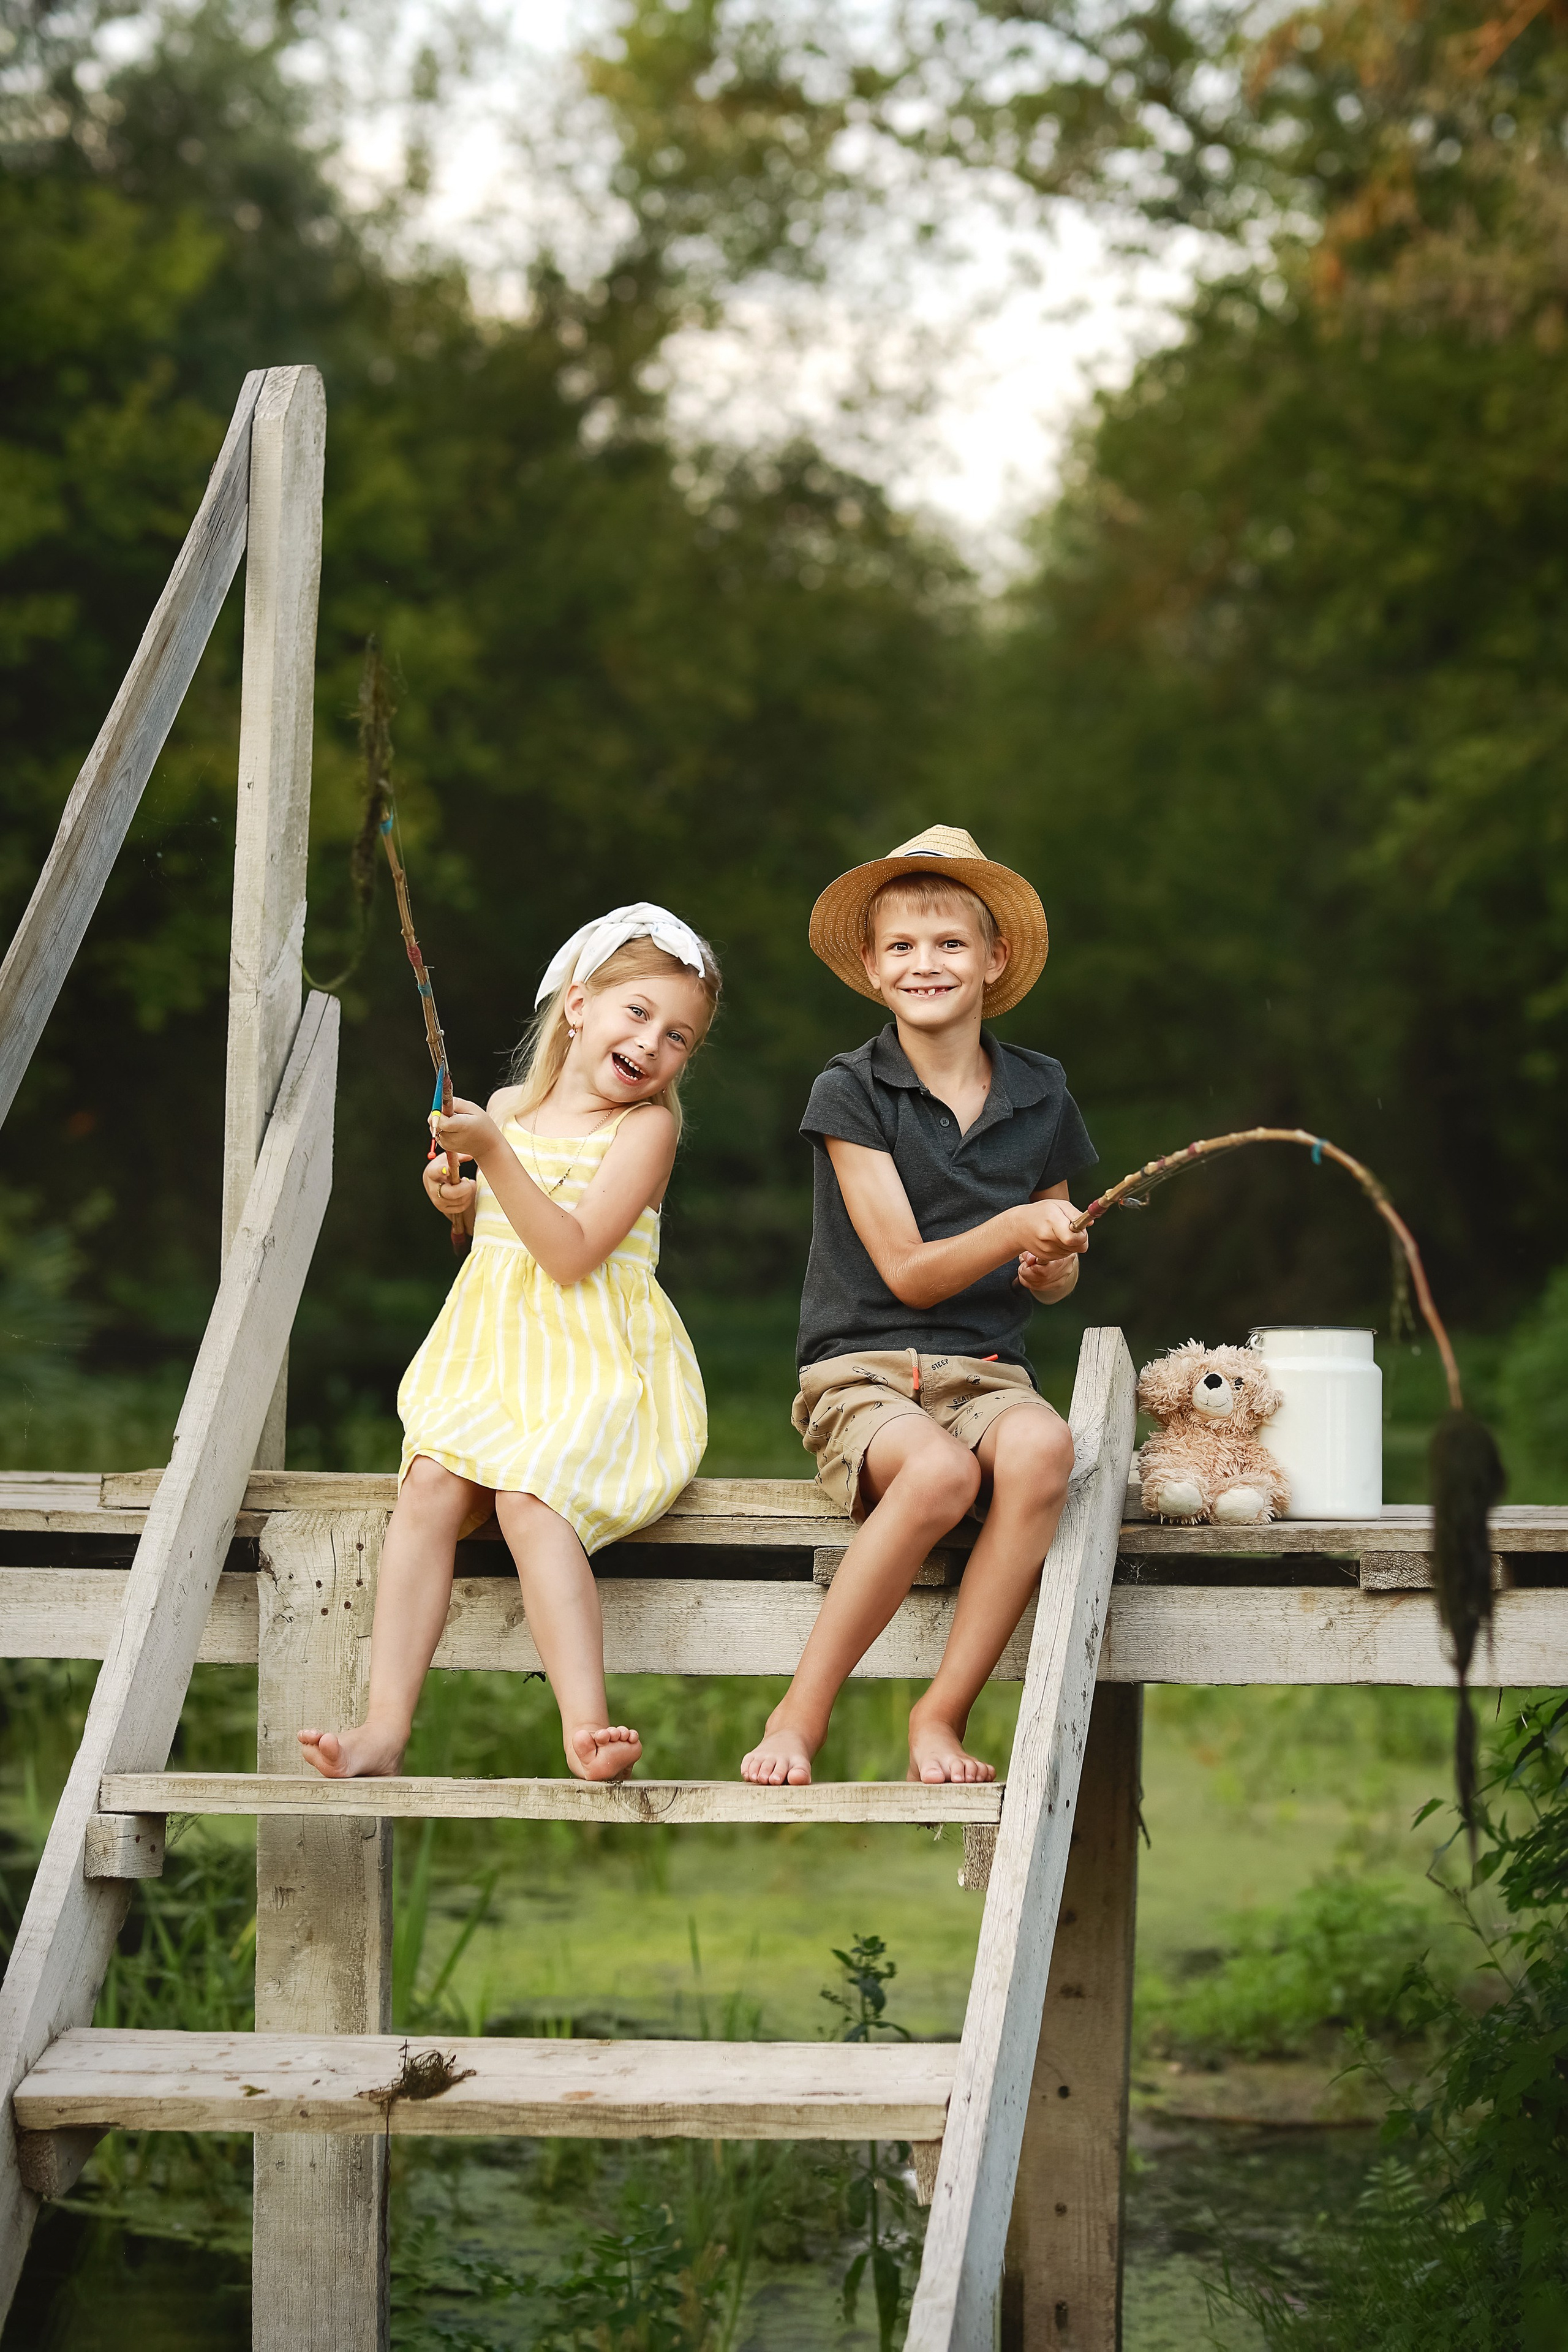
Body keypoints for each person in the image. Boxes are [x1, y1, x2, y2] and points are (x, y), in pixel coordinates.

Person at [300, 903, 720, 1785]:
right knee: (427, 1486)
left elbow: (568, 1257)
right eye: (637, 1013)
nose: (654, 1043)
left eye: (679, 1036)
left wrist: (492, 1156)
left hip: (597, 1368)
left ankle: (584, 1726)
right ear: (578, 1005)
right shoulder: (509, 1108)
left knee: (532, 1498)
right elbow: (500, 1249)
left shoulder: (647, 1130)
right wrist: (457, 1205)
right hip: (493, 1364)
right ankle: (384, 1725)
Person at [741, 826, 1095, 1789]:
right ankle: (799, 1713)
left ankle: (940, 1715)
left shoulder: (1042, 1090)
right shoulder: (852, 1090)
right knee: (937, 1477)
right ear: (870, 965)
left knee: (1043, 1448)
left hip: (985, 1370)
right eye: (901, 946)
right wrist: (1019, 1223)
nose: (925, 964)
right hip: (862, 1369)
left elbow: (1051, 1263)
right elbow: (906, 1271)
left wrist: (1050, 1263)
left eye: (948, 944)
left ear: (995, 958)